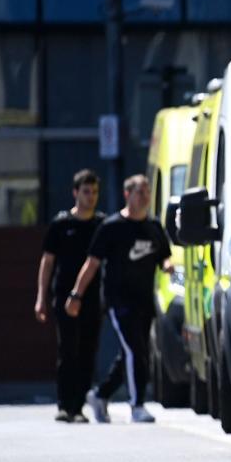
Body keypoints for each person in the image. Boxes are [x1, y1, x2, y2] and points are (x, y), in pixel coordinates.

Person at [67, 174, 172, 424]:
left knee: (133, 353)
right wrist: (76, 294)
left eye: (147, 192)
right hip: (119, 301)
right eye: (139, 192)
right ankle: (137, 405)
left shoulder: (154, 226)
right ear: (127, 195)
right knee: (135, 350)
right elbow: (92, 264)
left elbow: (164, 257)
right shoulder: (112, 227)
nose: (145, 196)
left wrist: (168, 266)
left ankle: (100, 394)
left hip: (145, 300)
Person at [33, 170, 105, 423]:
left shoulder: (100, 224)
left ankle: (79, 406)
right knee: (68, 350)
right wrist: (41, 297)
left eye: (95, 192)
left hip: (93, 298)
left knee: (87, 351)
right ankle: (65, 405)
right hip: (64, 296)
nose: (91, 197)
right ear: (75, 193)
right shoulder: (61, 224)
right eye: (86, 191)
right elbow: (47, 262)